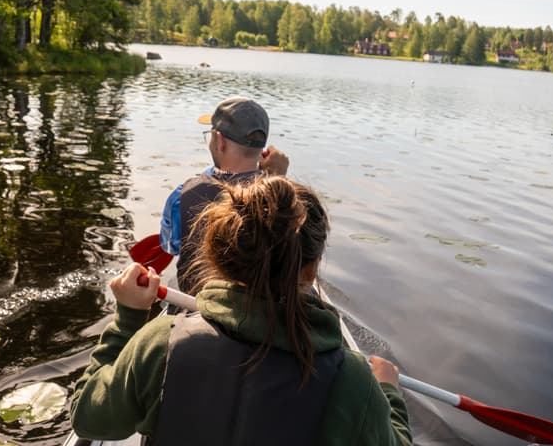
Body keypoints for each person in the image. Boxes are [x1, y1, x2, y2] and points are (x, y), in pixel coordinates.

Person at [71, 176, 412, 445]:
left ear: (218, 258)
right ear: (311, 269)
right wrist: (387, 393)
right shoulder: (350, 380)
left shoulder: (160, 345)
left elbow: (87, 416)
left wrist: (129, 318)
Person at [160, 97, 290, 292]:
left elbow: (169, 246)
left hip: (196, 310)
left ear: (220, 141)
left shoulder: (183, 195)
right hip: (262, 307)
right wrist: (279, 178)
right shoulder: (285, 198)